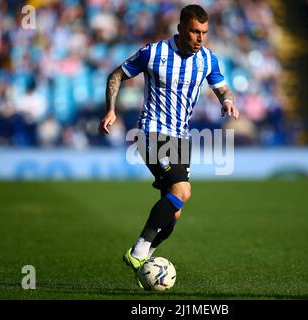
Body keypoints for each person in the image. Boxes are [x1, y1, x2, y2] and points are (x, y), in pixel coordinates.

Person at [98, 4, 239, 288]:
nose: (200, 38)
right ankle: (138, 251)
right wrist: (111, 109)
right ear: (180, 28)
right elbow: (116, 75)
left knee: (173, 213)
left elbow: (220, 85)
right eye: (195, 32)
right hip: (150, 132)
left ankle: (146, 259)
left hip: (180, 138)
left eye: (204, 32)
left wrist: (226, 99)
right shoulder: (154, 53)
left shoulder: (208, 59)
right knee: (182, 191)